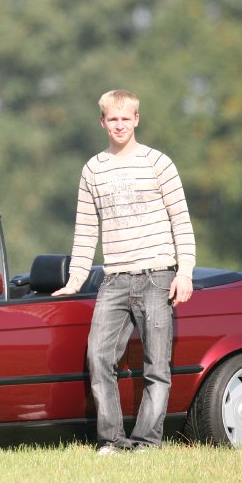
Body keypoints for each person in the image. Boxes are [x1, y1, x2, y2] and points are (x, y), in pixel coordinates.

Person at [53, 89, 195, 454]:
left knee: (156, 365)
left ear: (136, 119)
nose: (119, 125)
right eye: (112, 119)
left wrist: (185, 272)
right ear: (102, 121)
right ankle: (112, 441)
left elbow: (181, 221)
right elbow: (86, 231)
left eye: (125, 118)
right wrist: (74, 281)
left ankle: (147, 441)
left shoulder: (158, 163)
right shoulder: (93, 169)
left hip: (157, 276)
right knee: (99, 357)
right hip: (114, 279)